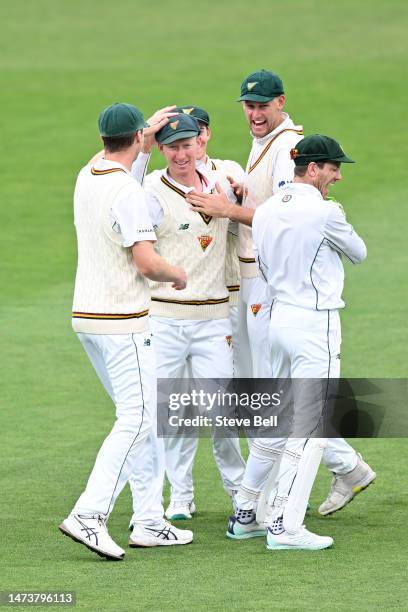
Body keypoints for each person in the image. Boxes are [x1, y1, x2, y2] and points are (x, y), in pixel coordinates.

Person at [186, 70, 375, 516]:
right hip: (262, 282)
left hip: (270, 284)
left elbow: (290, 216)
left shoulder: (289, 145)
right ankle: (342, 469)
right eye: (248, 106)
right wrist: (240, 193)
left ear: (280, 103)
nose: (253, 114)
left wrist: (227, 209)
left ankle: (271, 502)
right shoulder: (263, 143)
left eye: (262, 106)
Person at [59, 103, 193, 560]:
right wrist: (177, 273)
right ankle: (89, 514)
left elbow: (124, 169)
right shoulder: (130, 193)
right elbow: (147, 263)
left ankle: (150, 520)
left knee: (140, 418)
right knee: (136, 419)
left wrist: (143, 139)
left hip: (88, 319)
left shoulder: (88, 173)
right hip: (123, 321)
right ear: (139, 137)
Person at [227, 134, 368, 550]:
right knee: (311, 427)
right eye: (332, 168)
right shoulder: (325, 212)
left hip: (277, 320)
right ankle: (284, 527)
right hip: (313, 325)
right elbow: (358, 252)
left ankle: (246, 514)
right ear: (312, 168)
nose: (338, 176)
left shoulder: (267, 209)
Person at [128, 113, 246, 527]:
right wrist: (141, 139)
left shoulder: (225, 179)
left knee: (221, 411)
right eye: (173, 146)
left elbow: (250, 205)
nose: (182, 153)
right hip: (165, 317)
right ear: (161, 149)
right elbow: (125, 192)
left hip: (215, 317)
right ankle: (179, 496)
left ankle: (241, 494)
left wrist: (237, 195)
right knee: (170, 411)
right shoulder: (151, 190)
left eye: (188, 144)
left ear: (201, 142)